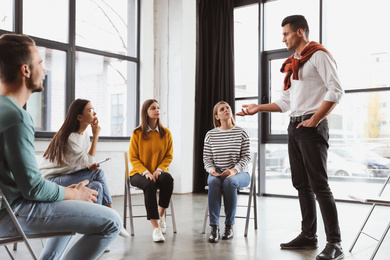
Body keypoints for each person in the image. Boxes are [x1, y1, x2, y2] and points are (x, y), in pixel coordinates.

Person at [0, 33, 121, 260]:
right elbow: (33, 189)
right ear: (25, 70)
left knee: (70, 203)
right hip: (14, 212)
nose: (44, 70)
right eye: (40, 63)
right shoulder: (17, 116)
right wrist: (73, 193)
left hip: (10, 206)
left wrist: (68, 194)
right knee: (112, 221)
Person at [237, 15, 344, 260]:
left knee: (319, 185)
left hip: (311, 126)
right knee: (301, 184)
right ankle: (308, 235)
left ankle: (335, 243)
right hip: (295, 126)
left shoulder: (318, 55)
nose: (283, 38)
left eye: (286, 33)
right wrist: (258, 108)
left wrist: (315, 119)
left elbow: (336, 90)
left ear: (299, 32)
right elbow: (286, 102)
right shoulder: (294, 62)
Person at [39, 98, 129, 238]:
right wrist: (96, 135)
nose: (94, 113)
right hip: (51, 182)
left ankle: (96, 234)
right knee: (98, 173)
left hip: (66, 176)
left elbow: (83, 162)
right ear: (79, 117)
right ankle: (114, 216)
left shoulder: (84, 135)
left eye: (93, 109)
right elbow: (88, 159)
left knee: (97, 186)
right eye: (90, 110)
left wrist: (89, 166)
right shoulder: (69, 137)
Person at [203, 101, 251, 243]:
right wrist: (211, 171)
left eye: (227, 108)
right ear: (217, 116)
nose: (226, 110)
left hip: (239, 174)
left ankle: (229, 225)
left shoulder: (241, 132)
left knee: (230, 182)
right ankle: (214, 227)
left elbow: (246, 157)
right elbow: (207, 158)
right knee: (214, 183)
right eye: (222, 109)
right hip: (217, 173)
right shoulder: (210, 135)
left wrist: (234, 170)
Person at [128, 99, 174, 242]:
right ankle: (155, 228)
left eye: (158, 108)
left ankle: (161, 216)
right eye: (153, 108)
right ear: (146, 112)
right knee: (149, 184)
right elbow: (133, 158)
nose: (157, 110)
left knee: (168, 179)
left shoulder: (166, 133)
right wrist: (146, 172)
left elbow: (168, 156)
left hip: (158, 172)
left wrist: (159, 170)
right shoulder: (137, 133)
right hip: (138, 173)